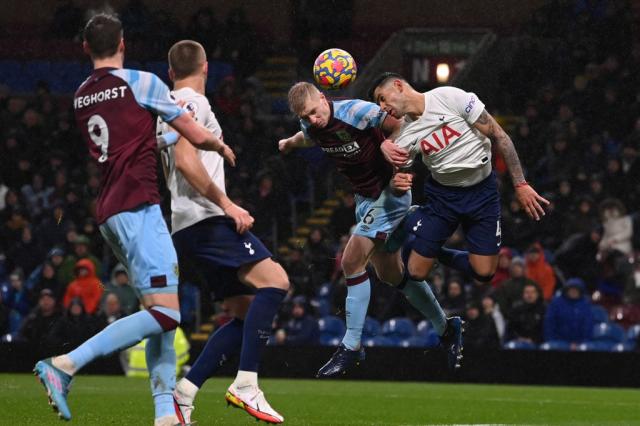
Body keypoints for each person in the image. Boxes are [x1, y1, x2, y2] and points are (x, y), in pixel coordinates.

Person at [33, 14, 233, 425]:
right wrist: (219, 143)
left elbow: (137, 139)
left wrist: (164, 137)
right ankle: (65, 365)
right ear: (123, 43)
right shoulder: (142, 83)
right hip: (138, 207)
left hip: (110, 210)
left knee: (159, 308)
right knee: (167, 315)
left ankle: (165, 415)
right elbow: (192, 133)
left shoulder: (81, 93)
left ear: (86, 48)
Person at [279, 82, 461, 375]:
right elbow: (308, 136)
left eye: (314, 111)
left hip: (391, 191)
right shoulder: (309, 123)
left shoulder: (356, 111)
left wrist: (392, 149)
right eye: (305, 116)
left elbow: (401, 122)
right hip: (365, 199)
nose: (312, 119)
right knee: (390, 274)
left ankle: (351, 346)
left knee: (351, 260)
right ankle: (446, 328)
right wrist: (289, 142)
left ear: (324, 99)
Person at [158, 40, 289, 424]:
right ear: (205, 68)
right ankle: (246, 383)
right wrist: (227, 204)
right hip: (206, 218)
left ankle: (183, 395)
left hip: (186, 224)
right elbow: (184, 160)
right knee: (276, 282)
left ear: (170, 71)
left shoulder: (166, 104)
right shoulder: (192, 102)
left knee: (245, 313)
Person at [369, 72, 548, 309]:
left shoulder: (449, 96)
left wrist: (520, 184)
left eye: (382, 98)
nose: (382, 107)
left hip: (483, 193)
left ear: (399, 86)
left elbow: (499, 135)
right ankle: (413, 220)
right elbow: (392, 175)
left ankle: (429, 243)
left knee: (484, 273)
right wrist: (393, 180)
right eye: (378, 104)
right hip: (444, 198)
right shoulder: (403, 135)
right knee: (415, 272)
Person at [543, 278, 594, 349]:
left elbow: (588, 325)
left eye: (576, 289)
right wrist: (553, 342)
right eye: (571, 289)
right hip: (558, 343)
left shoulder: (585, 305)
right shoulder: (556, 303)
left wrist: (582, 342)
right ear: (566, 290)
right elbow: (549, 324)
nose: (573, 291)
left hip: (580, 343)